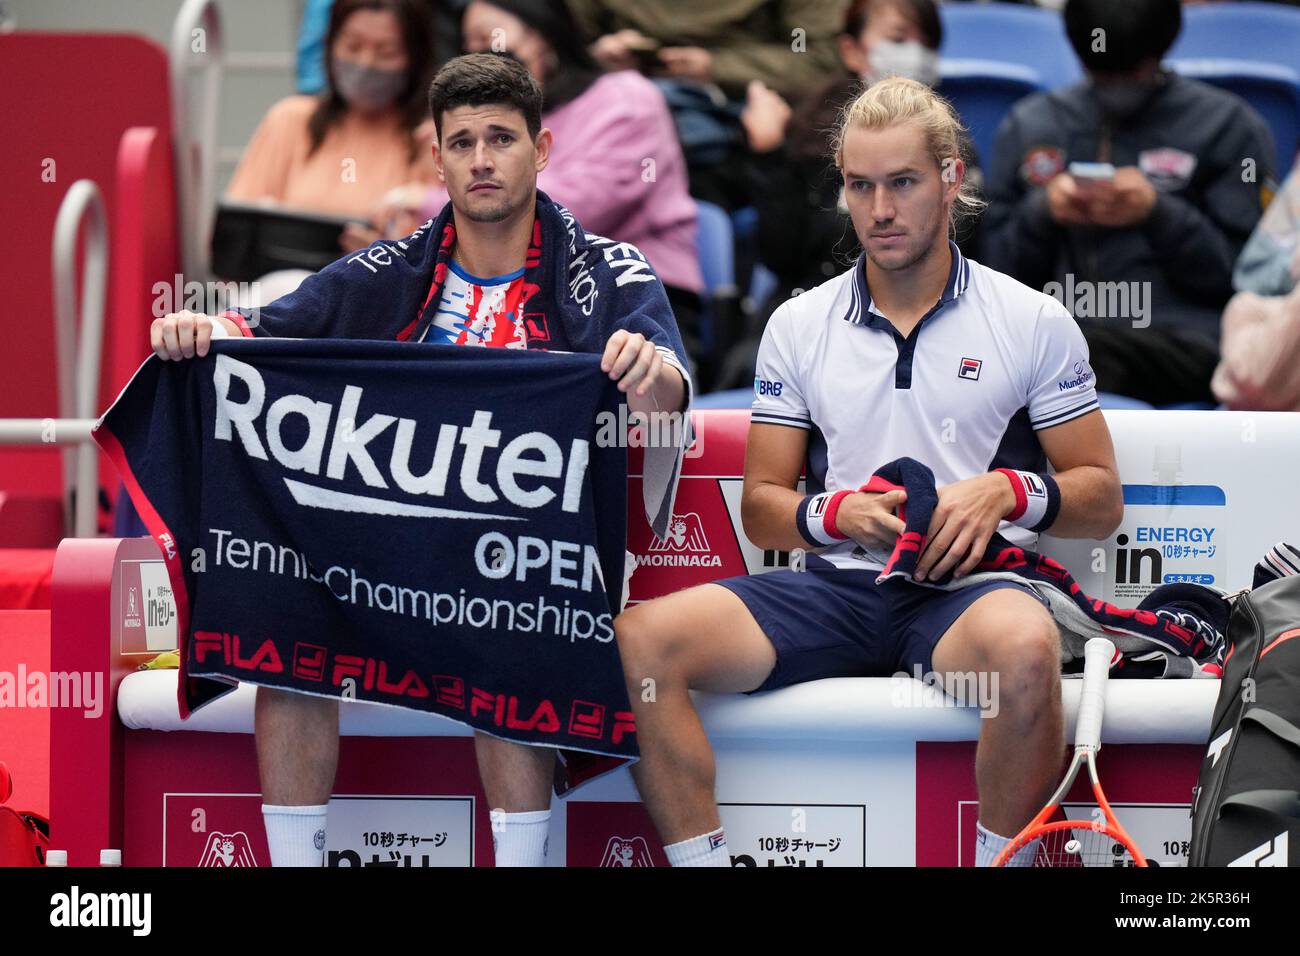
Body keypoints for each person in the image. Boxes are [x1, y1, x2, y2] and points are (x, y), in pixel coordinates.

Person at [150, 52, 692, 867]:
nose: (481, 159)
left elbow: (674, 395)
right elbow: (260, 332)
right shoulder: (386, 271)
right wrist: (198, 331)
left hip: (530, 562)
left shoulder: (607, 271)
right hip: (389, 562)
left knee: (509, 603)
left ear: (542, 150)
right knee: (286, 598)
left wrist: (649, 377)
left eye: (502, 139)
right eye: (462, 141)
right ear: (433, 158)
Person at [614, 76, 1124, 867]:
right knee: (641, 640)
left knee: (1026, 651)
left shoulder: (1032, 320)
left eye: (904, 183)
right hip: (837, 590)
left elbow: (1099, 498)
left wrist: (1007, 491)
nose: (880, 210)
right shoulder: (798, 323)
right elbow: (762, 507)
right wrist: (837, 514)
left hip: (966, 594)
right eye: (860, 186)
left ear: (952, 179)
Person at [982, 0, 1275, 406]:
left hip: (1180, 344)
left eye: (1132, 71)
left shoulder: (1228, 127)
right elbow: (992, 274)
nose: (1116, 85)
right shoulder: (1030, 124)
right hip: (1059, 328)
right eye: (1102, 73)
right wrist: (1042, 214)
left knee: (1067, 352)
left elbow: (1248, 279)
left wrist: (1159, 213)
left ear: (1161, 50)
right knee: (1035, 346)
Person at [382, 0, 705, 352]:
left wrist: (426, 203)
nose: (480, 57)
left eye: (489, 40)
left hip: (630, 303)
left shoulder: (628, 99)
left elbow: (580, 206)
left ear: (544, 35)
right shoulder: (485, 121)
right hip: (507, 296)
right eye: (469, 45)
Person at [737, 0, 978, 350]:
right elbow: (782, 254)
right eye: (860, 184)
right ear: (851, 51)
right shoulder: (806, 135)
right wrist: (769, 157)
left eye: (927, 45)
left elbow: (959, 245)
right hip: (815, 323)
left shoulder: (953, 145)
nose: (881, 210)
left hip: (928, 326)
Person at [226, 0, 440, 251]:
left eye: (386, 53)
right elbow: (234, 234)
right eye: (352, 46)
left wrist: (386, 260)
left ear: (415, 59)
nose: (365, 63)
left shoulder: (430, 138)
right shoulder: (291, 120)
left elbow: (443, 251)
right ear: (329, 46)